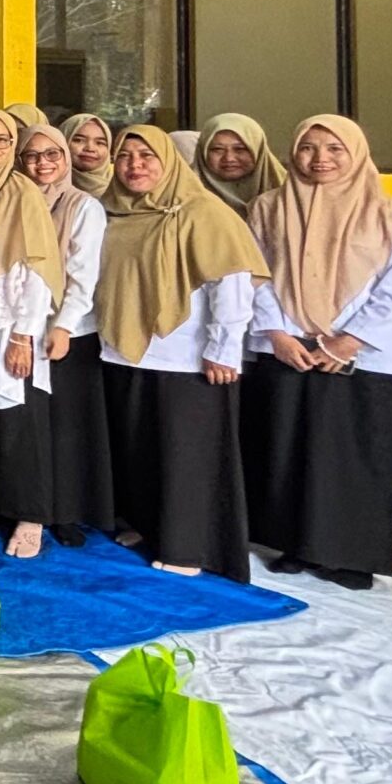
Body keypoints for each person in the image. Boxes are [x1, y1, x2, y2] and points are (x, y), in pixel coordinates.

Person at [242, 114, 392, 591]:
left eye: (334, 149)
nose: (320, 158)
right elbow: (256, 274)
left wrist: (347, 341)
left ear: (355, 153)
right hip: (289, 351)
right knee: (292, 452)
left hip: (362, 358)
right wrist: (278, 335)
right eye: (308, 147)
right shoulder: (268, 208)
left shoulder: (391, 215)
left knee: (355, 458)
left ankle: (353, 557)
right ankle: (296, 546)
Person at [95, 126, 265, 581]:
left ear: (169, 161)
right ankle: (149, 527)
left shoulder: (203, 212)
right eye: (125, 156)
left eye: (146, 155)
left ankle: (187, 547)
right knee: (141, 452)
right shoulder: (116, 211)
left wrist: (223, 349)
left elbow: (231, 283)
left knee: (186, 458)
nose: (134, 165)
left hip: (186, 357)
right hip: (126, 353)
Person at [0, 107, 62, 557]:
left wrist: (24, 333)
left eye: (1, 140)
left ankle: (30, 514)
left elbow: (38, 267)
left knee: (19, 419)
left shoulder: (22, 191)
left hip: (10, 317)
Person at [18, 121, 115, 546]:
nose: (42, 163)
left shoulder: (83, 206)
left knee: (69, 428)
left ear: (65, 158)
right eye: (32, 155)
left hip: (68, 331)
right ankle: (34, 507)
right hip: (23, 329)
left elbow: (83, 274)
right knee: (34, 424)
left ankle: (69, 513)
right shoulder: (16, 201)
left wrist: (64, 326)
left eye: (52, 154)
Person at [197, 113, 287, 221]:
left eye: (240, 149)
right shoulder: (184, 195)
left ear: (258, 151)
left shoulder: (289, 194)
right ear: (203, 152)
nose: (229, 158)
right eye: (218, 149)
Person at [63, 113, 116, 199]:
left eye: (100, 143)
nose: (90, 148)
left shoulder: (123, 186)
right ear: (62, 142)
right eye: (79, 140)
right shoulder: (48, 186)